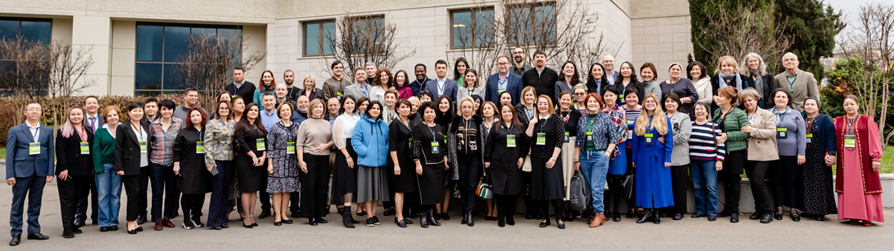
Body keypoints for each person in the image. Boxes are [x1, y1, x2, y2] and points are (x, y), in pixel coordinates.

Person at [6, 102, 54, 245]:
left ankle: (33, 230)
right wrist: (10, 174)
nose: (34, 111)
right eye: (31, 109)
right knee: (18, 202)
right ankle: (16, 232)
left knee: (35, 202)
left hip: (40, 171)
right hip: (21, 171)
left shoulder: (47, 130)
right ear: (25, 112)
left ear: (41, 113)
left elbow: (51, 153)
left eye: (37, 109)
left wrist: (50, 171)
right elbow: (9, 154)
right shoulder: (15, 130)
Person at [834, 95, 884, 226]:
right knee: (849, 185)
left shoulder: (867, 120)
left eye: (851, 104)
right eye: (846, 104)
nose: (849, 107)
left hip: (864, 160)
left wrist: (876, 158)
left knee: (865, 185)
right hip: (845, 160)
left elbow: (874, 139)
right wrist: (830, 153)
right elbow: (832, 140)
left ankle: (867, 216)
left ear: (857, 105)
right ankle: (852, 215)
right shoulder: (838, 121)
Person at [572, 93, 618, 227]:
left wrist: (607, 153)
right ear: (586, 104)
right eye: (590, 102)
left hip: (599, 156)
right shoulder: (582, 119)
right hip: (585, 156)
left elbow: (613, 138)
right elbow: (579, 141)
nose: (592, 104)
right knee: (591, 188)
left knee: (597, 187)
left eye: (595, 102)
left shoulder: (606, 118)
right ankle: (601, 214)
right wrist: (576, 160)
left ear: (599, 104)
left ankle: (598, 214)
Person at [630, 93, 673, 225]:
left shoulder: (664, 119)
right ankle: (647, 212)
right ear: (644, 104)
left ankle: (656, 213)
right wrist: (634, 159)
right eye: (647, 101)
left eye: (652, 101)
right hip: (643, 155)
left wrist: (667, 158)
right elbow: (635, 141)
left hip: (658, 155)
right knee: (644, 184)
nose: (650, 103)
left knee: (659, 184)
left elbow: (669, 141)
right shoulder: (639, 119)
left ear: (656, 103)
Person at [525, 95, 566, 229]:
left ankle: (559, 218)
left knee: (554, 189)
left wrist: (553, 158)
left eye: (545, 103)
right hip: (537, 158)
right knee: (540, 189)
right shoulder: (534, 120)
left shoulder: (556, 119)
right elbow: (528, 137)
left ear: (550, 105)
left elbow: (560, 140)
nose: (542, 106)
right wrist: (531, 123)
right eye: (540, 104)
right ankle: (545, 218)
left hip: (552, 159)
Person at [484, 104, 528, 227]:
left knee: (513, 191)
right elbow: (489, 144)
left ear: (513, 113)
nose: (507, 113)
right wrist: (487, 159)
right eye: (504, 111)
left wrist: (522, 157)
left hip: (515, 164)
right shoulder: (496, 126)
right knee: (499, 191)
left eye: (509, 111)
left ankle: (510, 215)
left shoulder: (520, 126)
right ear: (501, 113)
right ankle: (501, 215)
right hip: (498, 164)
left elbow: (525, 144)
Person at [54, 106, 93, 238]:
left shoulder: (88, 130)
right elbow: (60, 150)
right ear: (69, 116)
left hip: (84, 171)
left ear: (83, 115)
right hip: (67, 172)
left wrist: (91, 168)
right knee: (67, 200)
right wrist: (63, 168)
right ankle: (66, 228)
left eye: (79, 114)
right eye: (73, 114)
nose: (76, 116)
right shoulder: (63, 130)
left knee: (77, 199)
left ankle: (71, 224)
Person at [768, 89, 807, 222]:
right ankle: (778, 208)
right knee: (776, 181)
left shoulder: (795, 114)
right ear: (773, 99)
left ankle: (793, 208)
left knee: (791, 181)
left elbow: (802, 135)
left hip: (792, 154)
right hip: (773, 153)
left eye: (783, 97)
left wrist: (801, 153)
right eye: (778, 96)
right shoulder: (768, 113)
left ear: (788, 99)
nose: (780, 99)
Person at [713, 86, 750, 223]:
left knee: (734, 181)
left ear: (729, 99)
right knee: (725, 181)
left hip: (734, 152)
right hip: (720, 152)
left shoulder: (739, 113)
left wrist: (728, 135)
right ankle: (727, 208)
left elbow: (746, 133)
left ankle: (734, 210)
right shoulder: (717, 111)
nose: (718, 98)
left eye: (720, 96)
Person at [740, 88, 777, 223]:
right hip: (747, 153)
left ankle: (767, 211)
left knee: (758, 180)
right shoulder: (741, 114)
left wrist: (752, 131)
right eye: (745, 101)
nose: (747, 103)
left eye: (750, 100)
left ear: (756, 100)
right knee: (753, 182)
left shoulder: (767, 114)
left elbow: (771, 132)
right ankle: (759, 209)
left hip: (763, 152)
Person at [446, 97, 484, 227]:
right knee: (462, 185)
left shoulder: (478, 121)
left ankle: (469, 213)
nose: (466, 110)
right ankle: (464, 211)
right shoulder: (455, 122)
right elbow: (451, 142)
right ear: (460, 109)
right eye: (464, 107)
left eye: (469, 107)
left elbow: (483, 141)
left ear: (473, 108)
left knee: (471, 185)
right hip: (460, 158)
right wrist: (451, 159)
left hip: (474, 158)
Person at [352, 101, 391, 227]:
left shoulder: (384, 125)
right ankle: (369, 216)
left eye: (378, 108)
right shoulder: (360, 123)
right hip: (367, 162)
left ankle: (373, 215)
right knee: (368, 191)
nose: (375, 110)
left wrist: (385, 153)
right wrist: (366, 152)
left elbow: (388, 142)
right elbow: (355, 141)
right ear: (368, 110)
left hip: (380, 163)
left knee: (376, 191)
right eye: (373, 108)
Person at [115, 102, 151, 234]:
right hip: (129, 165)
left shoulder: (146, 125)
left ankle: (135, 221)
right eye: (134, 111)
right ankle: (130, 222)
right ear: (129, 113)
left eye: (140, 111)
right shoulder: (123, 127)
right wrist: (118, 166)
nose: (137, 113)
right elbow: (118, 148)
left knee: (141, 193)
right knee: (133, 193)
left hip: (144, 165)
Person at [296, 100, 334, 225]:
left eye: (321, 107)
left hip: (324, 157)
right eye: (316, 107)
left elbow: (333, 140)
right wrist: (301, 161)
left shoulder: (327, 123)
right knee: (309, 187)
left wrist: (325, 146)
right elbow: (299, 144)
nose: (318, 109)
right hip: (309, 157)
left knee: (322, 187)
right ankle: (310, 215)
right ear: (311, 109)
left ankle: (319, 214)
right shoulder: (305, 124)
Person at [172, 108, 211, 229]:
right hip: (188, 167)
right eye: (192, 116)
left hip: (204, 167)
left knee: (201, 193)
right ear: (189, 118)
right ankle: (186, 219)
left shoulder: (208, 131)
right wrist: (176, 164)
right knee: (188, 193)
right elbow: (177, 150)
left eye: (197, 115)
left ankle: (196, 217)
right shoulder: (184, 132)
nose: (195, 117)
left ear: (202, 116)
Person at [148, 99, 183, 230]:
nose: (166, 111)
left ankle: (166, 217)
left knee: (171, 192)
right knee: (157, 192)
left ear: (173, 110)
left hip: (173, 163)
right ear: (160, 110)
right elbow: (150, 142)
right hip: (156, 162)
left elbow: (181, 143)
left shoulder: (179, 123)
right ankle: (157, 218)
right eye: (164, 109)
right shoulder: (153, 125)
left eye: (169, 109)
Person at [412, 101, 448, 228]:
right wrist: (417, 163)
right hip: (425, 164)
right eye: (426, 112)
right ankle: (424, 216)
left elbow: (443, 145)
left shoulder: (438, 127)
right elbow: (415, 146)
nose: (429, 114)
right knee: (426, 191)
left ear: (435, 113)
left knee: (435, 191)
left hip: (438, 164)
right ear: (422, 114)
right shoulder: (419, 128)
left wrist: (445, 158)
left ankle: (432, 216)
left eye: (431, 112)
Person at [800, 98, 837, 221]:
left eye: (812, 104)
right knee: (806, 182)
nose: (809, 106)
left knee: (820, 183)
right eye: (807, 104)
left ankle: (821, 211)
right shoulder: (801, 118)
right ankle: (808, 209)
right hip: (805, 155)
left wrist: (831, 153)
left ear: (818, 106)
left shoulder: (824, 119)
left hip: (819, 156)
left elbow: (831, 137)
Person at [204, 100, 237, 230]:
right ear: (217, 110)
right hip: (216, 160)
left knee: (225, 190)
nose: (224, 110)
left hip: (229, 160)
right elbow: (207, 143)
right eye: (221, 108)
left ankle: (223, 219)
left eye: (226, 108)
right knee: (218, 189)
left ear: (230, 110)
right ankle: (214, 221)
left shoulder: (233, 124)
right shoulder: (212, 123)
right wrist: (209, 162)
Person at [689, 102, 726, 221]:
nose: (699, 111)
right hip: (694, 161)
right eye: (697, 109)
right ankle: (700, 210)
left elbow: (720, 145)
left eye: (702, 109)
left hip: (709, 162)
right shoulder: (689, 125)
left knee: (711, 187)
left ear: (707, 112)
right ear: (694, 112)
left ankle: (711, 212)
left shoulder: (714, 126)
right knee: (698, 187)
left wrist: (719, 160)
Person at [266, 103, 300, 226]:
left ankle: (284, 214)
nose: (286, 112)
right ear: (279, 113)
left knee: (288, 189)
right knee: (277, 190)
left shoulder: (297, 126)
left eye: (288, 110)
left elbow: (300, 144)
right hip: (278, 160)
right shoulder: (275, 127)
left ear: (291, 112)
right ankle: (277, 215)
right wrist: (270, 163)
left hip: (292, 161)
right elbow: (270, 146)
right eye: (283, 110)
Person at [235, 103, 268, 227]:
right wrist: (253, 156)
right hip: (246, 161)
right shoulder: (242, 125)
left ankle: (252, 216)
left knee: (254, 190)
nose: (254, 112)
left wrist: (263, 156)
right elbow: (242, 143)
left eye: (256, 110)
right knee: (246, 190)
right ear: (246, 112)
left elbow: (264, 142)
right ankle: (246, 216)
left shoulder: (258, 126)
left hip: (259, 161)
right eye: (251, 110)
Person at [92, 106, 123, 232]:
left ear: (119, 116)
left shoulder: (124, 129)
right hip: (104, 166)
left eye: (115, 115)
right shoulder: (100, 131)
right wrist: (98, 167)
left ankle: (114, 221)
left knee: (115, 195)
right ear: (105, 118)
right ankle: (104, 222)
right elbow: (96, 149)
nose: (113, 117)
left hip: (118, 166)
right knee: (103, 195)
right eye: (109, 115)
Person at [332, 95, 361, 228]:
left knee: (354, 182)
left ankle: (350, 214)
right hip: (345, 152)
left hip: (356, 151)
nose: (350, 105)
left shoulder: (357, 118)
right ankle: (346, 215)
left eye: (352, 103)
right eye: (347, 103)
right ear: (342, 105)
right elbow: (338, 140)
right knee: (347, 183)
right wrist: (348, 156)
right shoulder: (340, 119)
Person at [389, 99, 418, 228]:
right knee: (399, 189)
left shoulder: (411, 123)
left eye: (408, 107)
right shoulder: (395, 123)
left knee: (406, 189)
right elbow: (392, 145)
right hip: (398, 160)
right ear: (397, 109)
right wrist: (396, 163)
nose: (406, 109)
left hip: (409, 160)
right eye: (403, 107)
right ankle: (399, 216)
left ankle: (400, 215)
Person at [601, 86, 628, 222]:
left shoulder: (621, 111)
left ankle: (616, 210)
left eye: (611, 95)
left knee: (616, 180)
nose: (609, 98)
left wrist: (609, 144)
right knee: (604, 179)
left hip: (618, 149)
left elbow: (622, 132)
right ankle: (605, 208)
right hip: (601, 150)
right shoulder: (600, 111)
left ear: (616, 96)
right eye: (606, 95)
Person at [663, 93, 692, 221]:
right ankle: (666, 208)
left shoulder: (684, 117)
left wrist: (665, 140)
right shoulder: (660, 117)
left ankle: (679, 210)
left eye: (672, 101)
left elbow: (683, 136)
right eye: (667, 101)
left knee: (679, 185)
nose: (670, 103)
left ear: (678, 103)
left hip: (679, 156)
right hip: (663, 156)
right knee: (665, 184)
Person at [514, 86, 538, 219]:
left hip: (539, 148)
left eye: (531, 95)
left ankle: (538, 209)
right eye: (526, 95)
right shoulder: (518, 111)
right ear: (523, 97)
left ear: (535, 96)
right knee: (527, 181)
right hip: (525, 148)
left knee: (538, 181)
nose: (529, 97)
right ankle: (529, 210)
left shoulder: (540, 109)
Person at [556, 92, 581, 212]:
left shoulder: (576, 114)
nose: (565, 102)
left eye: (568, 100)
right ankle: (561, 210)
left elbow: (580, 133)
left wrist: (577, 157)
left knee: (571, 176)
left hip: (572, 145)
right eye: (563, 99)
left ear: (572, 101)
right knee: (560, 176)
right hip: (558, 147)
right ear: (559, 100)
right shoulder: (554, 113)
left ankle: (571, 209)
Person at [77, 96, 100, 227]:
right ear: (84, 106)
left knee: (97, 191)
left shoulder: (104, 119)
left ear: (98, 105)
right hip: (83, 161)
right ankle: (80, 217)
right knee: (82, 192)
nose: (92, 105)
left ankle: (96, 217)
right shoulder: (78, 118)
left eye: (94, 103)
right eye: (89, 103)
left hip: (99, 160)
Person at [622, 90, 643, 218]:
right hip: (624, 148)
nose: (631, 99)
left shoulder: (643, 110)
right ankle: (630, 206)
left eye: (634, 97)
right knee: (628, 176)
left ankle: (640, 205)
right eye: (628, 97)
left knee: (640, 177)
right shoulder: (620, 110)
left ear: (638, 98)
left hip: (640, 149)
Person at [433, 96, 455, 220]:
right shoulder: (434, 119)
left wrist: (447, 156)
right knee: (437, 184)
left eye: (446, 103)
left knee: (447, 185)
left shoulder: (454, 119)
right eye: (441, 103)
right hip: (435, 154)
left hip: (450, 155)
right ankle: (437, 210)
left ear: (450, 105)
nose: (443, 105)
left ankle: (445, 211)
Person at [479, 101, 500, 221]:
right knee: (486, 184)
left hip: (497, 159)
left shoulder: (499, 124)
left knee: (497, 185)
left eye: (489, 108)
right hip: (484, 159)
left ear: (494, 110)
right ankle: (489, 210)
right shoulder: (480, 125)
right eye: (485, 109)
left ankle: (496, 210)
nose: (487, 110)